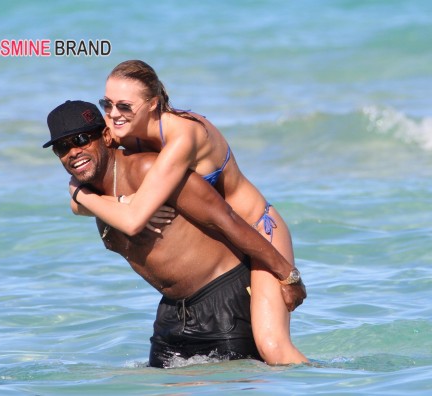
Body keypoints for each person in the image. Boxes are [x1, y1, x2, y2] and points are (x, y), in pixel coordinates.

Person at [69, 60, 307, 364]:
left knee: (273, 347)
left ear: (153, 104)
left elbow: (132, 218)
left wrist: (289, 275)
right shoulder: (123, 130)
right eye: (108, 104)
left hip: (258, 229)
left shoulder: (183, 134)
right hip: (224, 237)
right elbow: (84, 178)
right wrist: (85, 193)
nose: (114, 114)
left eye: (125, 106)